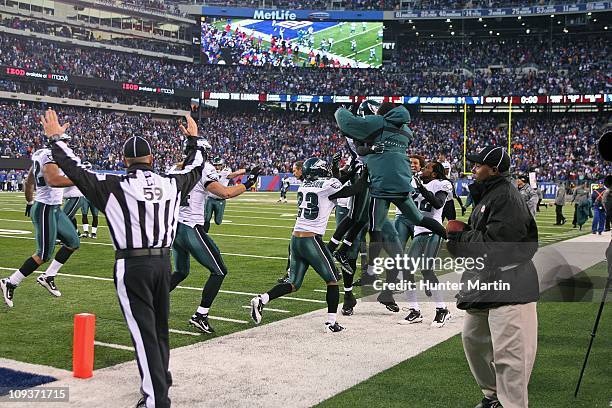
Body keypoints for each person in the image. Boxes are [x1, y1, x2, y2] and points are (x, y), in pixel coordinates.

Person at [38, 110, 206, 408]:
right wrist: (193, 139)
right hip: (162, 263)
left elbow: (75, 169)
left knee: (144, 336)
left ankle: (156, 400)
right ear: (152, 159)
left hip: (132, 265)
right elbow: (196, 165)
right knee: (159, 330)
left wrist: (56, 138)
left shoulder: (113, 185)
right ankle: (157, 385)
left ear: (125, 160)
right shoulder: (170, 183)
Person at [447, 146, 539, 408]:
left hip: (511, 286)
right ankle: (493, 397)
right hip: (485, 284)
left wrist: (460, 236)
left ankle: (510, 404)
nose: (473, 169)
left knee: (511, 358)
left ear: (495, 169)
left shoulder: (506, 196)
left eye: (478, 165)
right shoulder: (491, 194)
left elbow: (497, 246)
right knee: (473, 341)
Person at [250, 157, 367, 332]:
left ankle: (262, 299)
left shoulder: (305, 185)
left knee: (294, 283)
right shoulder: (327, 186)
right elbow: (354, 189)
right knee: (333, 280)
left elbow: (338, 183)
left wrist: (352, 170)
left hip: (296, 239)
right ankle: (331, 322)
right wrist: (366, 173)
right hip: (311, 239)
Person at [169, 144, 260, 334]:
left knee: (181, 271)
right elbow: (225, 193)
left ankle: (151, 301)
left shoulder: (175, 168)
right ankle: (200, 315)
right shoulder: (204, 169)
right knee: (219, 271)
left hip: (174, 227)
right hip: (190, 227)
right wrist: (249, 182)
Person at [1, 134, 80, 307]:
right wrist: (79, 180)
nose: (67, 147)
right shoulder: (50, 156)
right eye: (65, 144)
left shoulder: (41, 155)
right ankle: (11, 282)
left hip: (54, 208)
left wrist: (29, 201)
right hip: (45, 208)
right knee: (44, 254)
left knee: (73, 242)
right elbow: (53, 181)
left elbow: (29, 180)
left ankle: (48, 276)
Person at [399, 161, 452, 328]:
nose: (423, 169)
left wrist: (421, 188)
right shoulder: (414, 183)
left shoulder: (442, 183)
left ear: (435, 173)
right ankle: (415, 310)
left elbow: (438, 203)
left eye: (427, 167)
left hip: (433, 230)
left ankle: (442, 309)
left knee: (427, 269)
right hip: (419, 231)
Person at [203, 157, 245, 232]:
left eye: (219, 165)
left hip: (221, 200)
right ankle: (204, 234)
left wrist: (246, 170)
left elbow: (235, 174)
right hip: (210, 198)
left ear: (222, 165)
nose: (217, 167)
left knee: (218, 221)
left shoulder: (226, 171)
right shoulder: (210, 170)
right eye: (215, 165)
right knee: (206, 218)